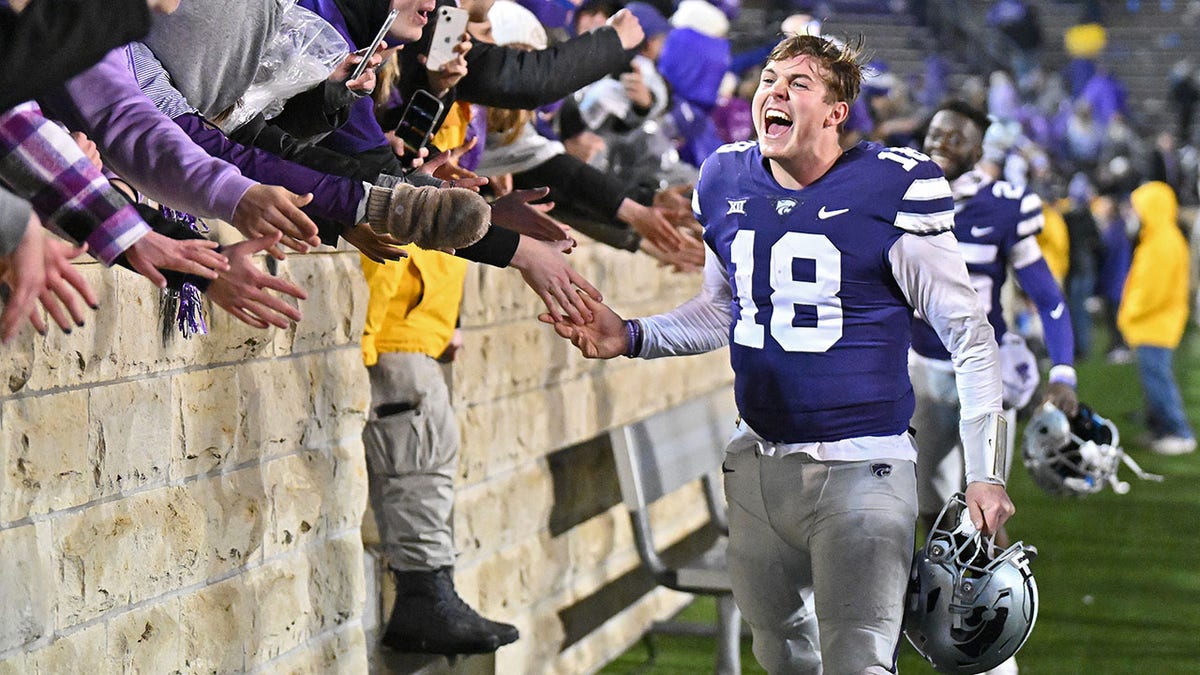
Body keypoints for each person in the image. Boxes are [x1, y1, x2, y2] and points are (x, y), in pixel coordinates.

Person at [544, 34, 1015, 673]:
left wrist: (986, 470)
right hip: (758, 466)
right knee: (782, 656)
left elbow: (971, 337)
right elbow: (722, 310)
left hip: (862, 466)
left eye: (798, 83)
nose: (776, 91)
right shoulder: (725, 175)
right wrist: (629, 335)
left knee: (859, 658)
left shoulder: (896, 186)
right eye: (770, 78)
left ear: (835, 112)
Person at [911, 100, 1077, 538]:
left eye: (956, 137)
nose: (942, 144)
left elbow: (1047, 295)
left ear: (978, 148)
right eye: (936, 134)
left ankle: (1000, 604)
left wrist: (1063, 371)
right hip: (921, 368)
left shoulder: (1005, 206)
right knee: (929, 507)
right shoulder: (899, 197)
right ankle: (946, 604)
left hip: (984, 372)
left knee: (983, 512)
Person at [1118, 180, 1196, 455]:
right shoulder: (1158, 237)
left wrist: (1129, 314)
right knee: (1152, 381)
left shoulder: (1163, 241)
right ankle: (1161, 430)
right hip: (1153, 323)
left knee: (1158, 380)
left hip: (1156, 324)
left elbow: (1152, 290)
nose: (1134, 214)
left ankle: (1179, 432)